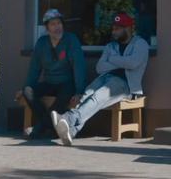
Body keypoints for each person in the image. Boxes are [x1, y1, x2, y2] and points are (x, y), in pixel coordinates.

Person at [52, 12, 149, 146]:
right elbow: (100, 67)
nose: (114, 32)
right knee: (87, 94)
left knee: (97, 97)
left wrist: (112, 59)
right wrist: (121, 62)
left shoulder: (140, 44)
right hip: (106, 78)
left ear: (128, 28)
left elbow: (133, 63)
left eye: (117, 29)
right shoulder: (111, 46)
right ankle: (72, 131)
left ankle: (69, 118)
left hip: (126, 85)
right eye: (113, 28)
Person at [20, 9, 85, 139]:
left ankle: (39, 128)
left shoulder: (71, 40)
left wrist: (79, 91)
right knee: (27, 91)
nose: (57, 27)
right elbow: (34, 69)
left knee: (64, 96)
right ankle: (49, 127)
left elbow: (79, 67)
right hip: (49, 82)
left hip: (67, 83)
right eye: (53, 24)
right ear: (47, 28)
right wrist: (26, 87)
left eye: (59, 23)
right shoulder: (42, 43)